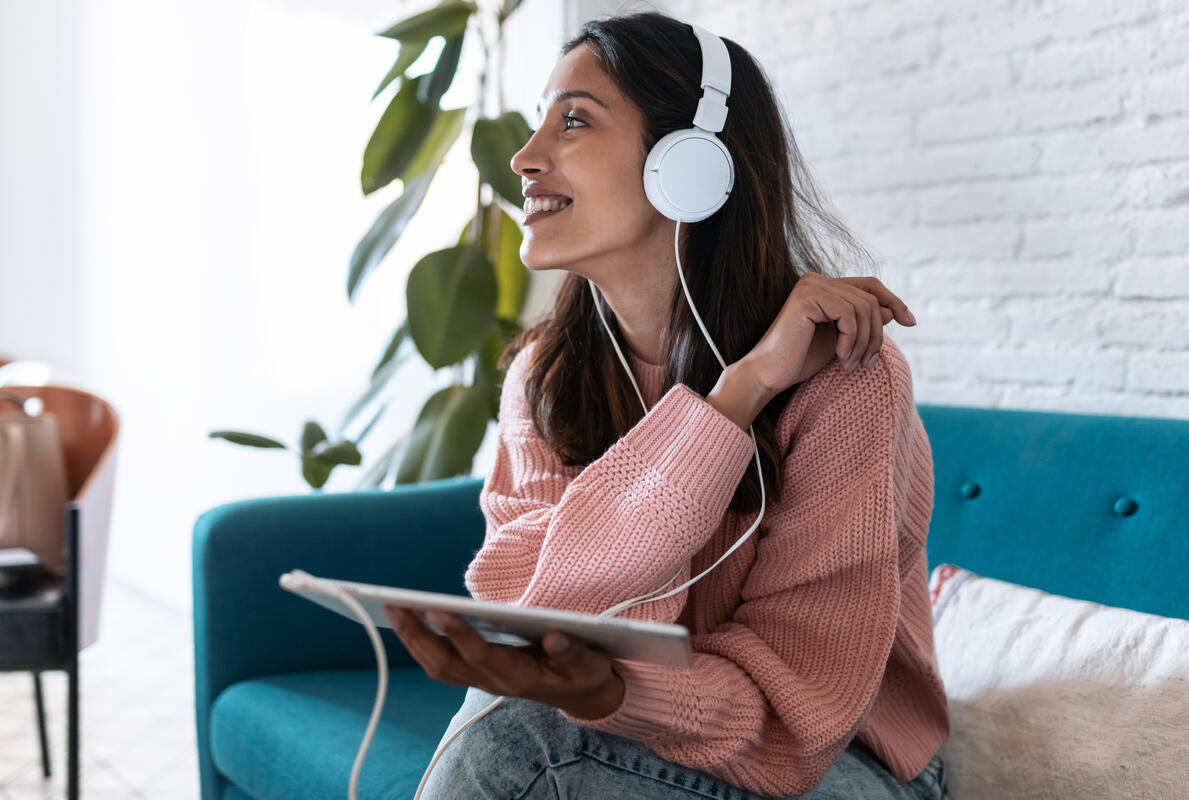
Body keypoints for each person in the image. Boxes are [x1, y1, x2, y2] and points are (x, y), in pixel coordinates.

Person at [384, 11, 951, 800]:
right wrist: (735, 395)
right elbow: (538, 618)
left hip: (847, 764)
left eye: (574, 119)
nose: (524, 157)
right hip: (630, 737)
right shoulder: (542, 378)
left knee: (516, 749)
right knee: (511, 726)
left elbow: (798, 723)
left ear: (691, 164)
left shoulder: (847, 378)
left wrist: (607, 693)